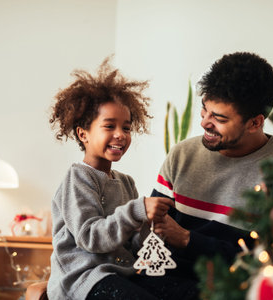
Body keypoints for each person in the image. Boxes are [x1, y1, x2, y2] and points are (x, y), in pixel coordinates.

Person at [47, 58, 198, 300]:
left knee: (190, 291)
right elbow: (90, 237)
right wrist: (138, 210)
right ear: (83, 134)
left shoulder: (126, 182)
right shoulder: (77, 178)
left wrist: (152, 227)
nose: (120, 135)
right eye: (109, 126)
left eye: (126, 128)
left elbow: (134, 245)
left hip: (122, 272)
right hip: (84, 280)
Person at [152, 52, 273, 278]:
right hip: (168, 282)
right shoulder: (182, 155)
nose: (204, 122)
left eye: (220, 118)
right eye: (204, 109)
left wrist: (189, 240)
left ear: (255, 123)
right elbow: (155, 232)